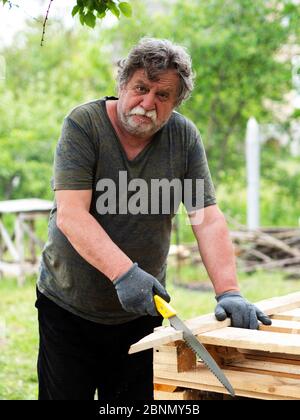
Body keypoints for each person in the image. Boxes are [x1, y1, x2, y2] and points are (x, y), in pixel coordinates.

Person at [35, 37, 271, 401]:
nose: (147, 104)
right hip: (69, 306)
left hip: (143, 309)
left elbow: (204, 217)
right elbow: (71, 215)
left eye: (162, 96)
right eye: (141, 89)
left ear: (175, 103)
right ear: (122, 85)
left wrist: (229, 290)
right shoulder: (85, 125)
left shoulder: (183, 138)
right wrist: (124, 273)